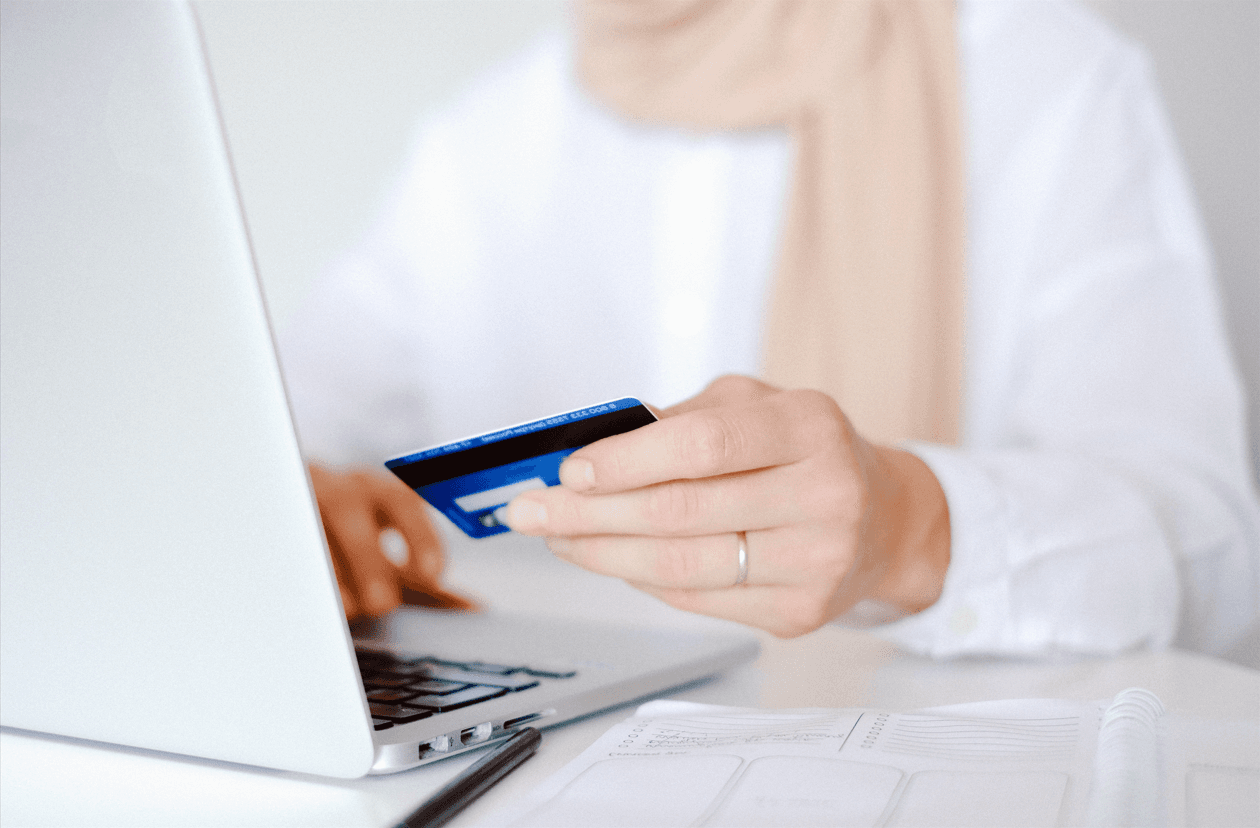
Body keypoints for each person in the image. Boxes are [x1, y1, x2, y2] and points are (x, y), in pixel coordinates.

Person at [280, 0, 1260, 658]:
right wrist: (288, 496)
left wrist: (911, 525)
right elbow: (283, 416)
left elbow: (1215, 556)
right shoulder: (480, 145)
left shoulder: (1044, 74)